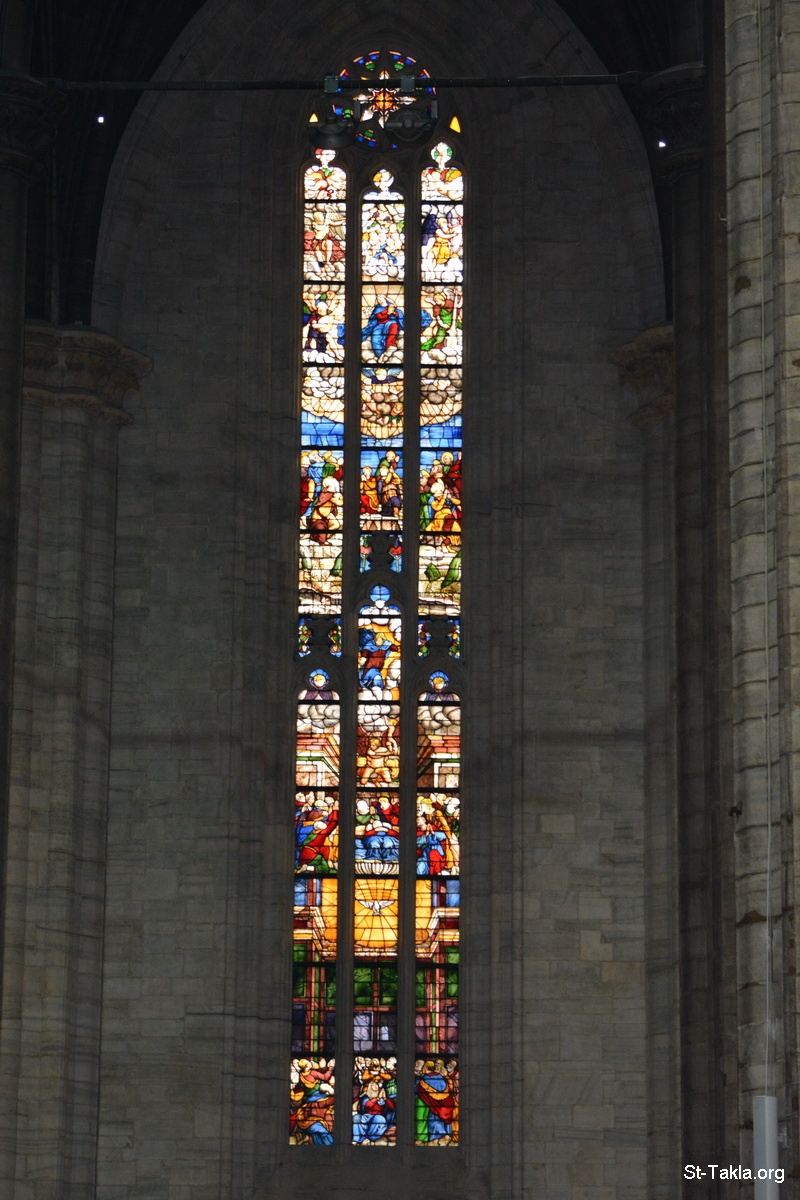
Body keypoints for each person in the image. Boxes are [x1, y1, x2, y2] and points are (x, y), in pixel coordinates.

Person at [415, 1058, 456, 1145]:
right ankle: (444, 1136)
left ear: (425, 1067)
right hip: (442, 1105)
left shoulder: (424, 1079)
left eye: (423, 1067)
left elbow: (419, 1091)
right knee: (438, 1120)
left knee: (428, 1120)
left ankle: (426, 1138)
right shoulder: (441, 1077)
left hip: (429, 1105)